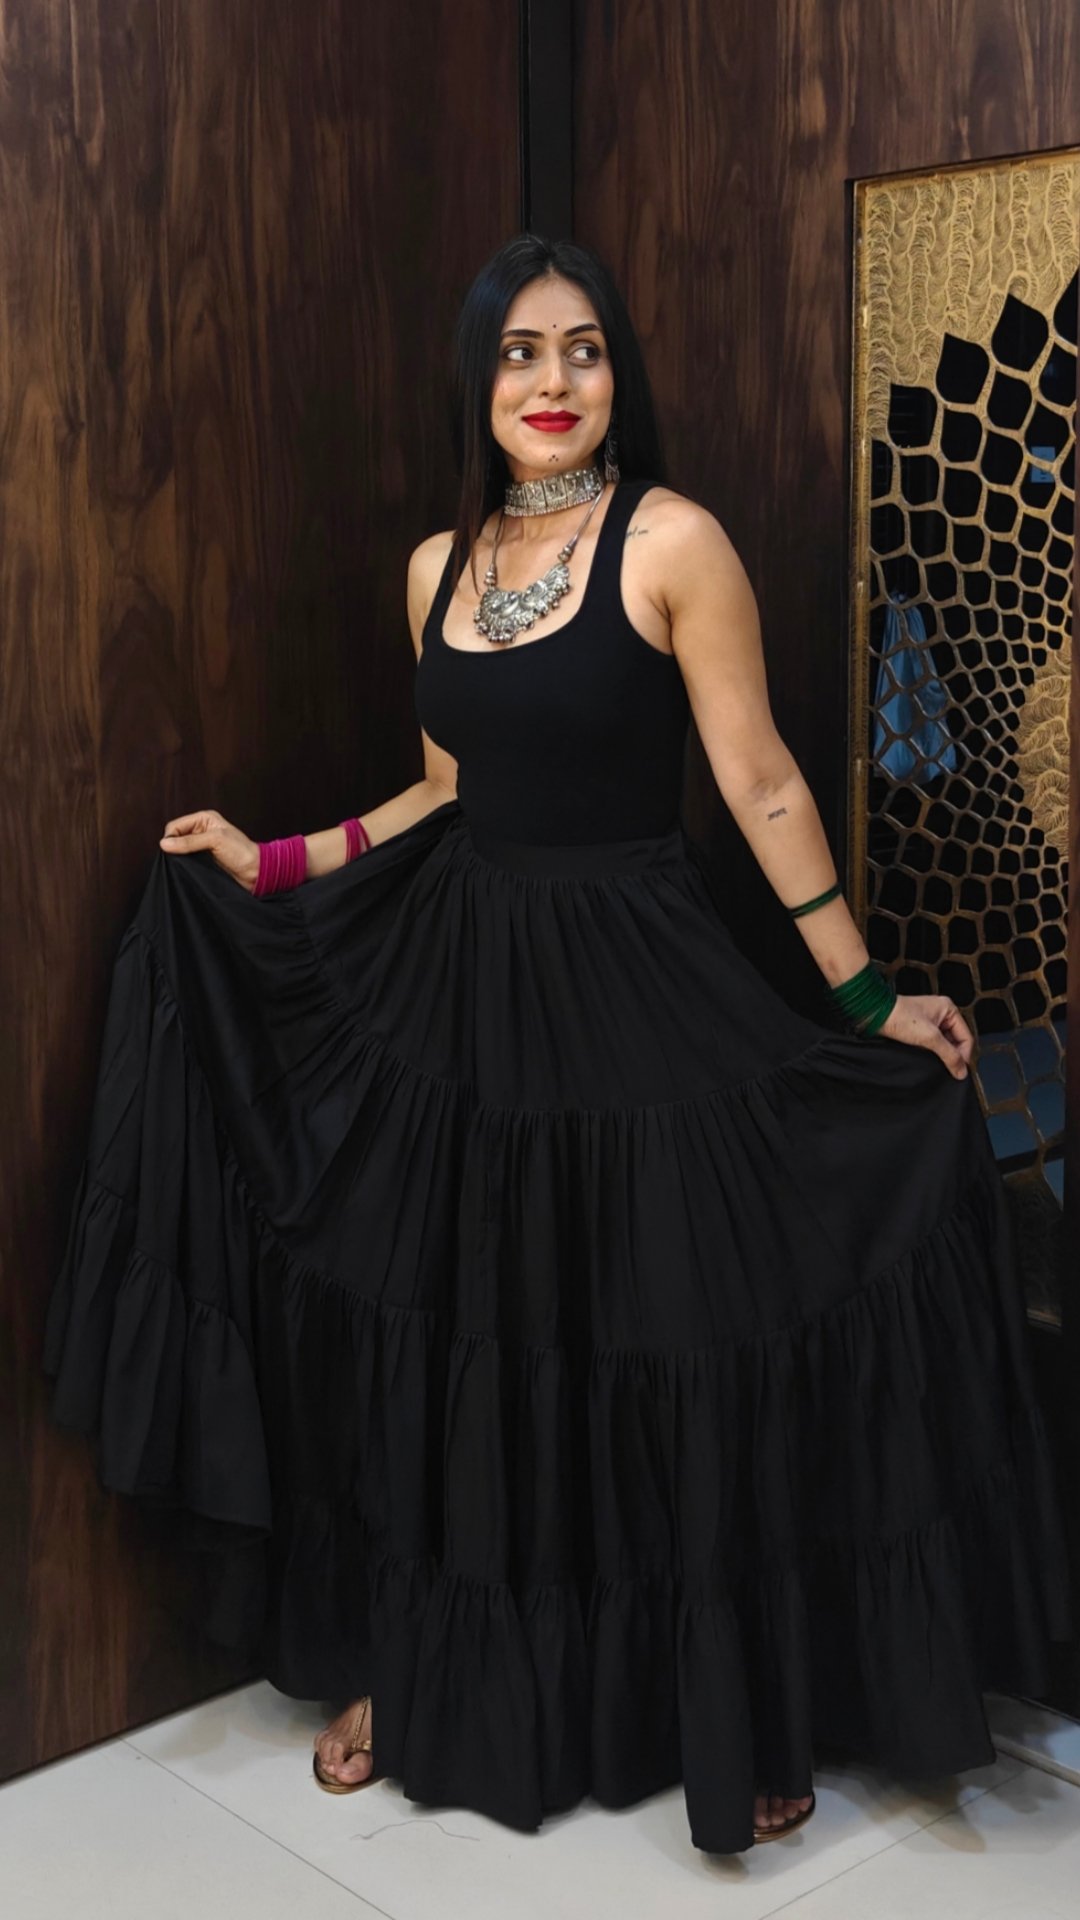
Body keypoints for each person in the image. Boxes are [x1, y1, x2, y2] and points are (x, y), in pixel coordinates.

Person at [43, 232, 1071, 1858]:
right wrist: (278, 861)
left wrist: (871, 1002)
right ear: (480, 377)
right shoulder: (435, 568)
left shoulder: (675, 542)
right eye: (521, 352)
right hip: (464, 991)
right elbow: (447, 792)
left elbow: (762, 783)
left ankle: (733, 1703)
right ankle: (422, 1672)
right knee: (468, 1325)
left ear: (617, 374)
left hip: (637, 979)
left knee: (672, 1331)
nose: (553, 381)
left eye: (583, 349)